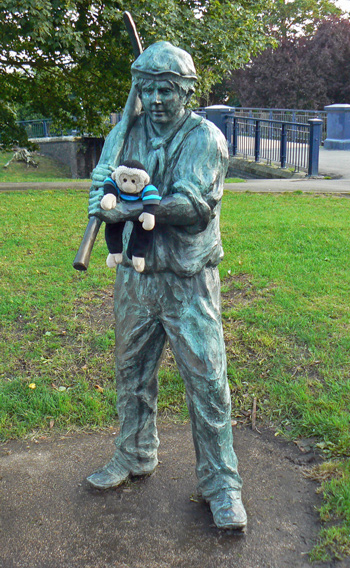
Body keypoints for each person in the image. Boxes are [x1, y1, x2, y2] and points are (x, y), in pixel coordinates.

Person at [86, 41, 247, 530]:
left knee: (206, 382)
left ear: (187, 92)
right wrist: (101, 193)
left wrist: (136, 209)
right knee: (131, 373)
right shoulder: (125, 133)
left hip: (187, 280)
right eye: (149, 89)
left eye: (167, 90)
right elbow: (110, 184)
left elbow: (193, 204)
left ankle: (221, 484)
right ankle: (134, 453)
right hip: (135, 277)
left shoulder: (206, 139)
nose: (156, 99)